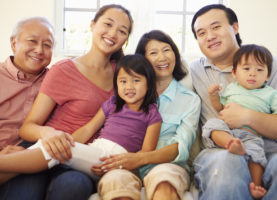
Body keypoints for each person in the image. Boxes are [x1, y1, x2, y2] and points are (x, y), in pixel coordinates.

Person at [17, 4, 133, 200]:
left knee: (73, 186)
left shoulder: (124, 76)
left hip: (80, 161)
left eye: (122, 31)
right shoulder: (64, 69)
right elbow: (27, 127)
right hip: (44, 150)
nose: (113, 34)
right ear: (92, 25)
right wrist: (48, 133)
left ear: (125, 39)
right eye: (108, 24)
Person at [190, 4, 277, 200]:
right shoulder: (193, 70)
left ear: (235, 27)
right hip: (221, 149)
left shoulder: (269, 65)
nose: (209, 36)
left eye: (216, 27)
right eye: (201, 32)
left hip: (272, 149)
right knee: (227, 162)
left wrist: (247, 117)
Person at [0, 54, 162, 183]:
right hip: (95, 152)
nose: (129, 87)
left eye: (136, 80)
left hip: (112, 161)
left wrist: (122, 166)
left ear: (149, 83)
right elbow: (88, 128)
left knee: (57, 148)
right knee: (56, 144)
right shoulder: (112, 103)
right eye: (123, 81)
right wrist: (67, 142)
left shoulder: (152, 114)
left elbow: (146, 152)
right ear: (116, 84)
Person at [91, 30, 201, 200]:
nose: (162, 58)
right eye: (153, 53)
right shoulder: (126, 93)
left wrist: (137, 159)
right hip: (123, 165)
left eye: (166, 50)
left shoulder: (189, 100)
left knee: (164, 183)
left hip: (166, 165)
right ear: (143, 59)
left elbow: (180, 147)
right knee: (114, 182)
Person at [203, 44, 277, 199]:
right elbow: (220, 107)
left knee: (256, 155)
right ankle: (230, 143)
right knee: (212, 125)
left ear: (268, 75)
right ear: (234, 72)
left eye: (259, 70)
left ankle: (256, 186)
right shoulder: (231, 88)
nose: (252, 74)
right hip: (229, 129)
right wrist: (214, 96)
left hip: (251, 134)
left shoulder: (270, 94)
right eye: (246, 69)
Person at [0, 16, 55, 200]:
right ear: (14, 43)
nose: (39, 50)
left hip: (30, 159)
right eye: (32, 41)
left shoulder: (56, 81)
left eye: (47, 45)